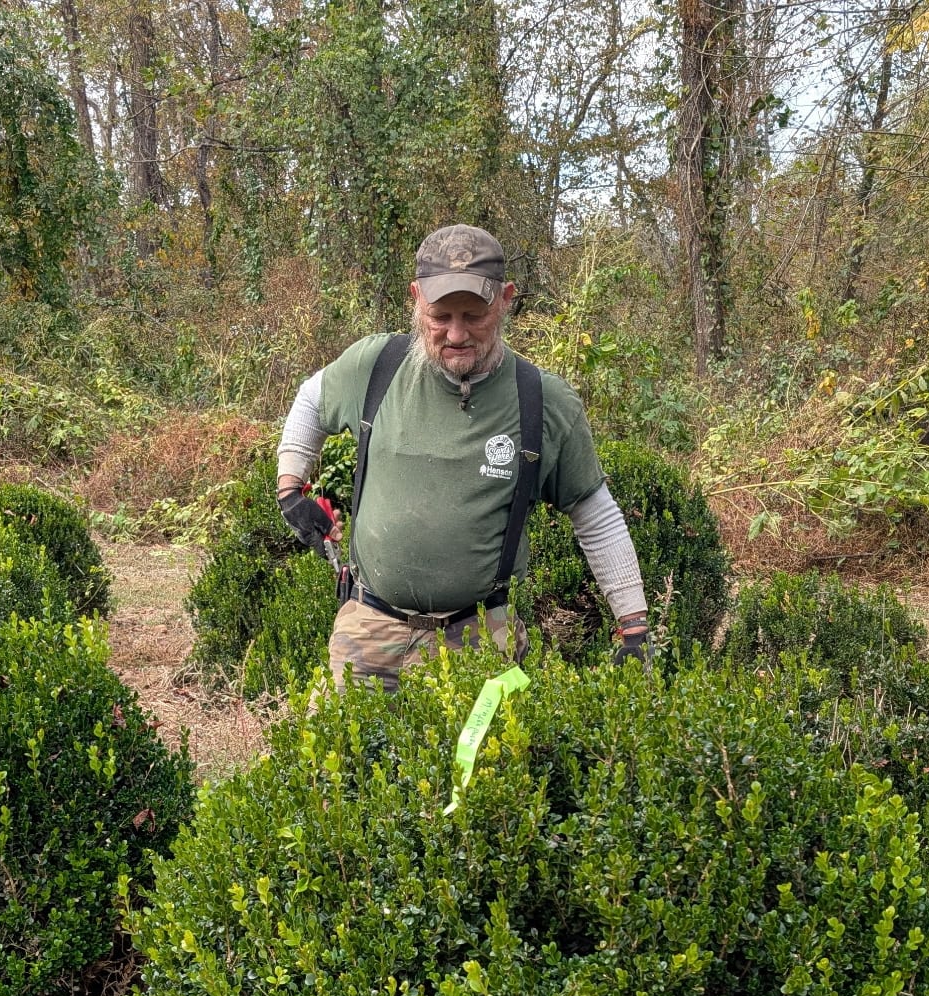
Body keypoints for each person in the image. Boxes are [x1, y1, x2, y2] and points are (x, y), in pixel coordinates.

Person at [274, 223, 651, 689]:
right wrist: (291, 488)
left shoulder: (543, 401)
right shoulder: (375, 367)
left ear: (506, 298)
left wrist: (633, 627)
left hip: (481, 642)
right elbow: (311, 400)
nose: (456, 334)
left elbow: (594, 513)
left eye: (474, 316)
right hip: (367, 632)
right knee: (338, 761)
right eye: (440, 316)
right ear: (416, 298)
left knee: (482, 762)